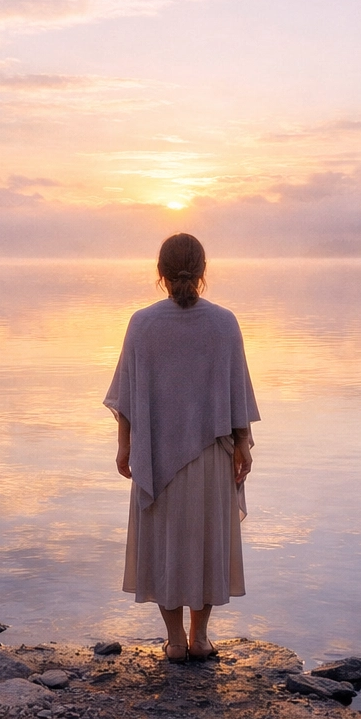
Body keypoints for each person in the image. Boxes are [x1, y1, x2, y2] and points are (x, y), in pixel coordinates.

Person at [104, 232, 259, 663]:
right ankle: (201, 638)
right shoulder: (224, 322)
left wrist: (125, 447)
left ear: (161, 273)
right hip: (211, 454)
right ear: (203, 271)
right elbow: (237, 396)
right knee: (206, 541)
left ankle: (173, 642)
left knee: (167, 543)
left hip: (157, 452)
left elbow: (128, 399)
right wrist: (243, 444)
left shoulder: (143, 323)